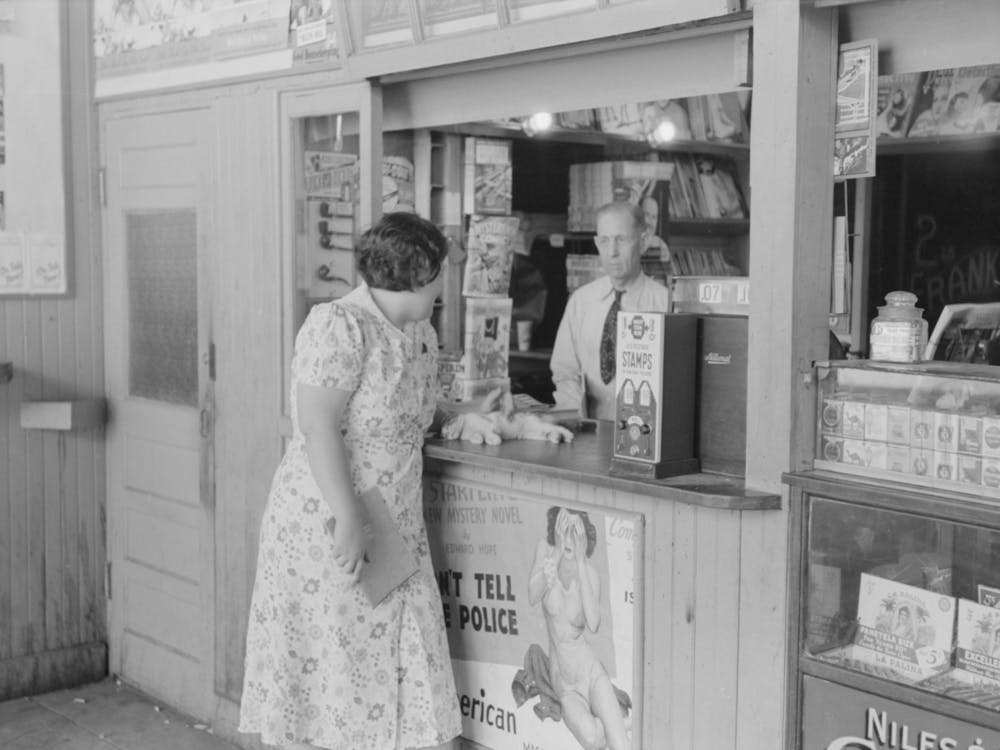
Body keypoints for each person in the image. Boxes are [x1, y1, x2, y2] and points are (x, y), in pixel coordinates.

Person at [238, 212, 572, 750]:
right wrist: (347, 517)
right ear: (419, 272)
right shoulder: (337, 325)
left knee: (404, 662)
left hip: (395, 527)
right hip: (332, 523)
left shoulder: (417, 332)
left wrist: (471, 411)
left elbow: (411, 411)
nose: (444, 280)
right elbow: (317, 424)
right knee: (337, 670)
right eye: (439, 268)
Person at [550, 201, 672, 420]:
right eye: (604, 241)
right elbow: (564, 371)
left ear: (643, 242)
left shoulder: (665, 305)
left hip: (645, 434)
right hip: (589, 433)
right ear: (597, 244)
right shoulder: (581, 302)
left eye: (621, 240)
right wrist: (578, 418)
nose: (612, 252)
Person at [527, 506, 631, 750]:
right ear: (556, 528)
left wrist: (582, 561)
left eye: (576, 531)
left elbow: (593, 624)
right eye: (565, 528)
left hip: (591, 672)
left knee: (621, 747)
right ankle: (619, 722)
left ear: (584, 537)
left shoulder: (590, 574)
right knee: (594, 740)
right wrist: (557, 554)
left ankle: (617, 725)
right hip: (565, 682)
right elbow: (533, 594)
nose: (569, 537)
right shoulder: (546, 552)